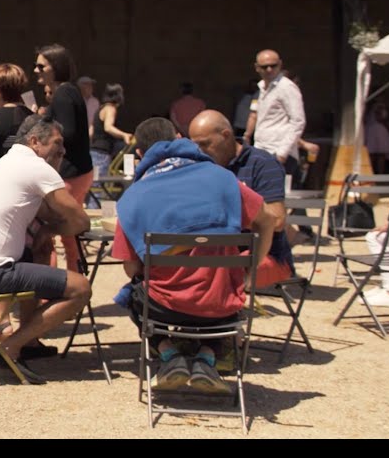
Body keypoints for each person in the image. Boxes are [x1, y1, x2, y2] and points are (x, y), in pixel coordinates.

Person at [111, 118, 275, 393]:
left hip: (165, 310)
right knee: (220, 287)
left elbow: (132, 269)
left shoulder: (132, 197)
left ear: (140, 154)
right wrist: (250, 270)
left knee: (133, 293)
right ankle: (206, 359)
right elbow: (268, 219)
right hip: (224, 308)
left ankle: (169, 354)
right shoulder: (224, 179)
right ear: (179, 139)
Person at [0, 115, 93, 384]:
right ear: (35, 142)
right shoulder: (36, 167)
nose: (62, 151)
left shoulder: (5, 163)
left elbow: (43, 211)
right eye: (57, 144)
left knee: (35, 254)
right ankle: (10, 347)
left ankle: (30, 342)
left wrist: (47, 229)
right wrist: (51, 230)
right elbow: (79, 220)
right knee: (80, 288)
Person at [188, 110, 295, 290]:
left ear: (226, 136)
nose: (200, 151)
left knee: (212, 272)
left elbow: (276, 220)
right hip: (219, 254)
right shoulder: (202, 166)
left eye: (205, 144)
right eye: (195, 146)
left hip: (264, 256)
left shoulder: (262, 163)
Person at [34, 44, 93, 272]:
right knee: (69, 232)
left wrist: (42, 123)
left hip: (70, 174)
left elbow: (66, 132)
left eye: (41, 66)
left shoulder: (64, 93)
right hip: (77, 172)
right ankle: (72, 282)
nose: (36, 70)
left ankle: (53, 289)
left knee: (46, 231)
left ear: (55, 67)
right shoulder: (67, 92)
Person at [245, 50, 306, 180]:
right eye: (264, 66)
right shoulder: (262, 88)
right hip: (262, 149)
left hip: (278, 152)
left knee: (275, 197)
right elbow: (256, 116)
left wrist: (282, 153)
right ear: (257, 68)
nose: (269, 69)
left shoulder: (286, 87)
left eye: (273, 65)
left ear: (280, 64)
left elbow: (298, 121)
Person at [90, 83, 134, 177]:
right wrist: (124, 135)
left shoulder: (101, 109)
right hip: (103, 152)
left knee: (95, 185)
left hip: (94, 151)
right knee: (100, 186)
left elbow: (91, 130)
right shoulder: (110, 109)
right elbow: (108, 127)